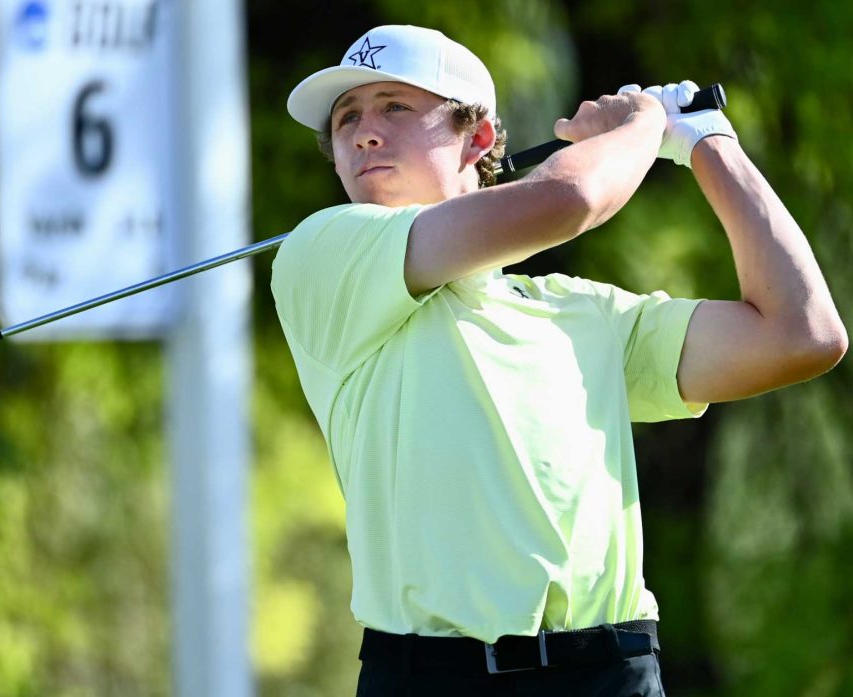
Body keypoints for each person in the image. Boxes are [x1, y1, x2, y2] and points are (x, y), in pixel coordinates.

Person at [270, 24, 847, 696]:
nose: (364, 132)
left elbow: (802, 332)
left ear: (479, 138)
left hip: (611, 673)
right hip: (434, 678)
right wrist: (647, 121)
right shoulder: (325, 253)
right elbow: (569, 199)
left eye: (395, 107)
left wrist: (708, 143)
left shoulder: (587, 313)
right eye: (346, 119)